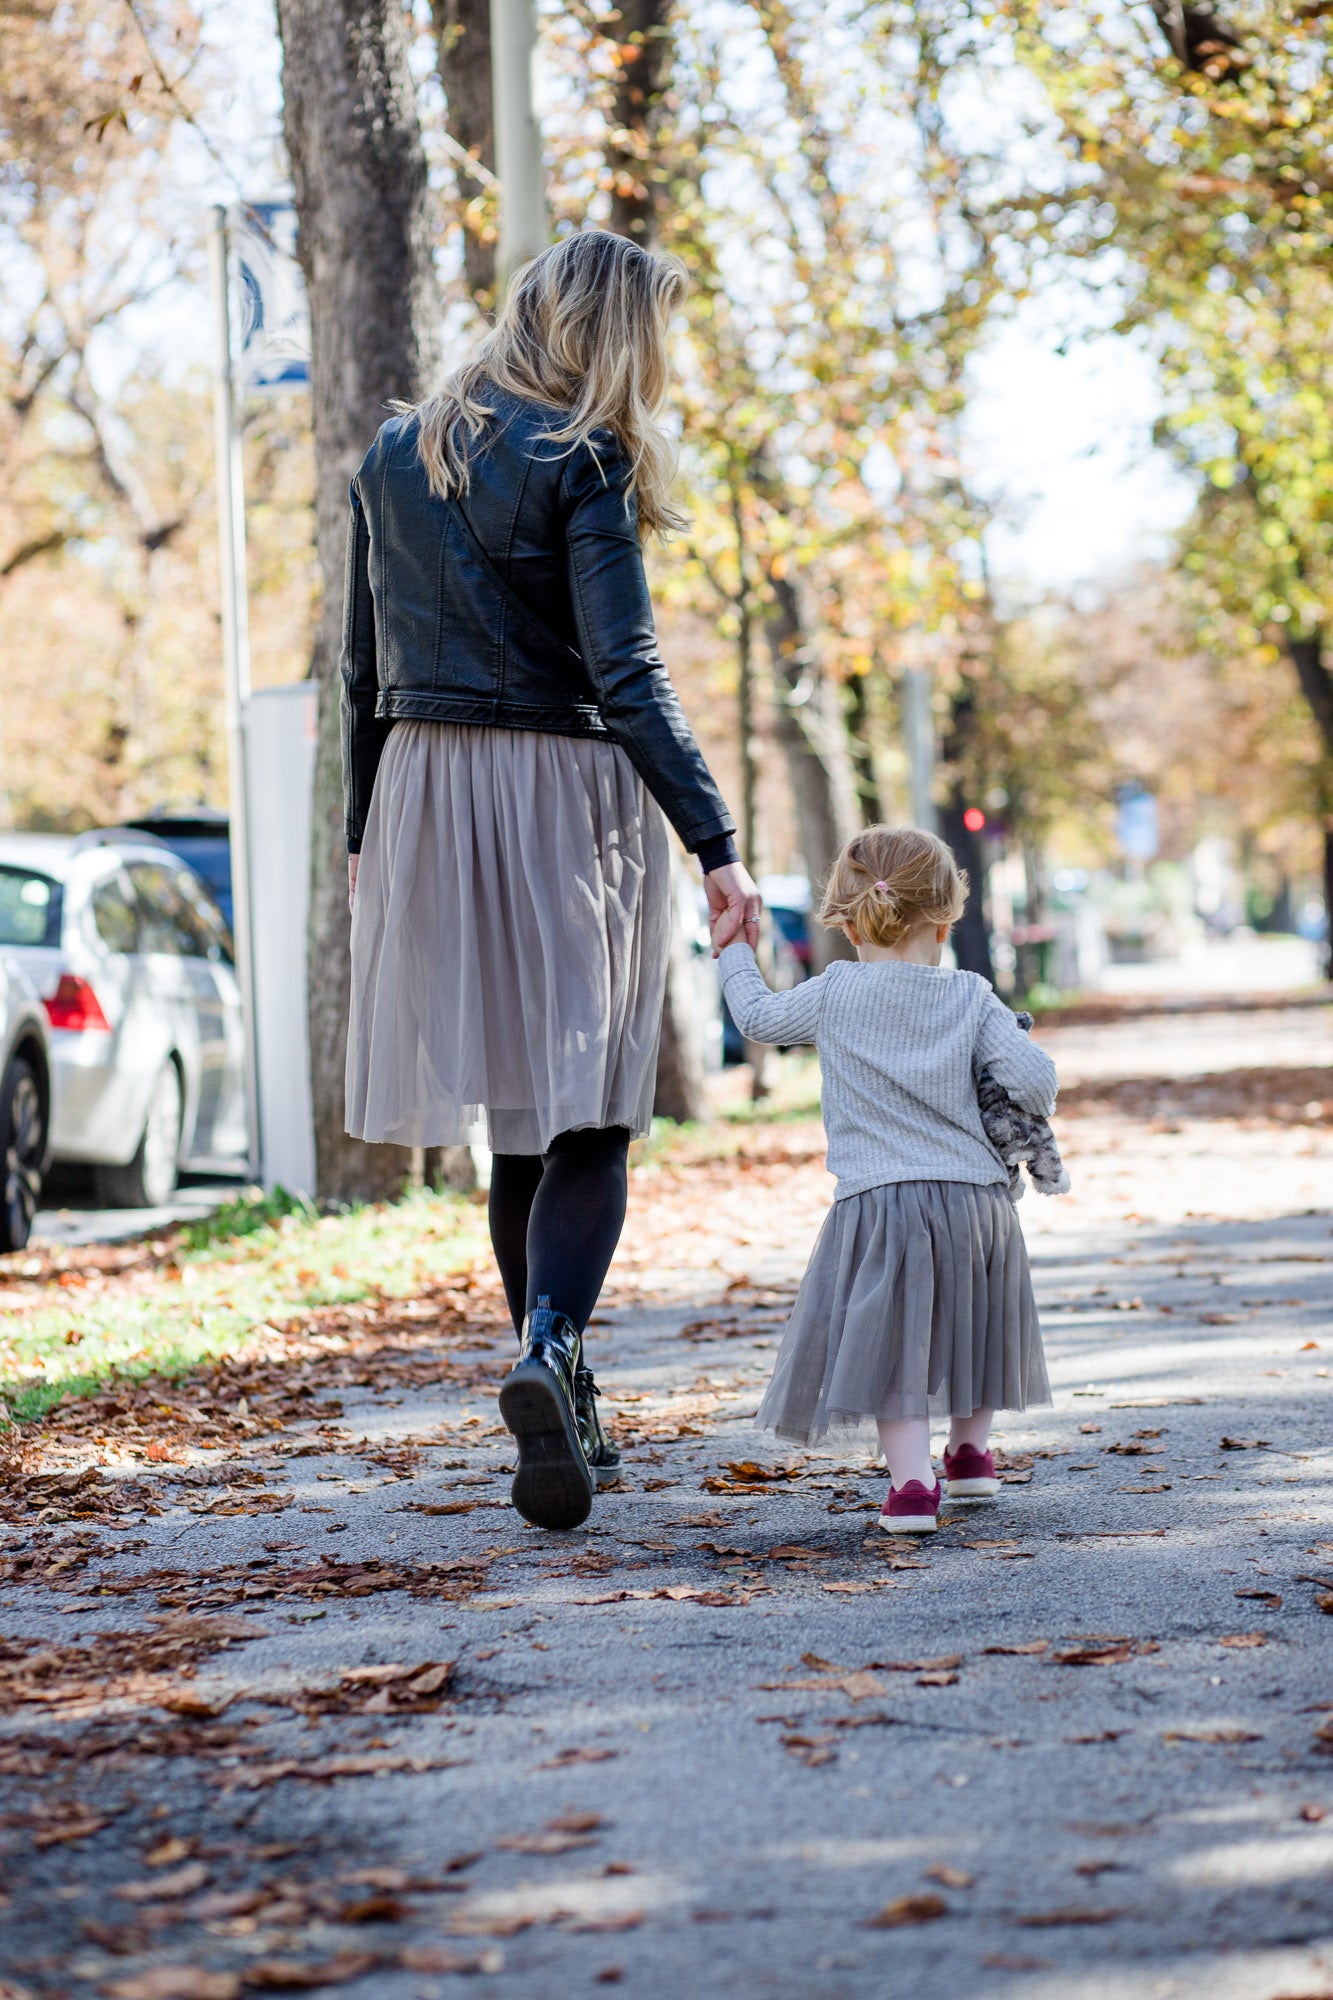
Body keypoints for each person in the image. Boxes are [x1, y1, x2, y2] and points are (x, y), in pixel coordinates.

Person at [341, 230, 760, 1533]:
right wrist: (716, 842)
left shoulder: (395, 449)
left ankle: (555, 1382)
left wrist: (364, 829)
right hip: (559, 788)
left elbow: (359, 662)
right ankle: (552, 1351)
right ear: (616, 336)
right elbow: (626, 673)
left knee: (520, 1115)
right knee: (590, 1115)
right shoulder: (587, 453)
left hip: (423, 782)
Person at [715, 825, 1058, 1534]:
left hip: (880, 1204)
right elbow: (1035, 1079)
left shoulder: (834, 992)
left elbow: (755, 1017)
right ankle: (969, 1455)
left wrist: (734, 951)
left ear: (844, 915)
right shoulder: (970, 995)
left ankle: (910, 1488)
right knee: (977, 1327)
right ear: (944, 916)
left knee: (893, 1345)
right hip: (976, 1202)